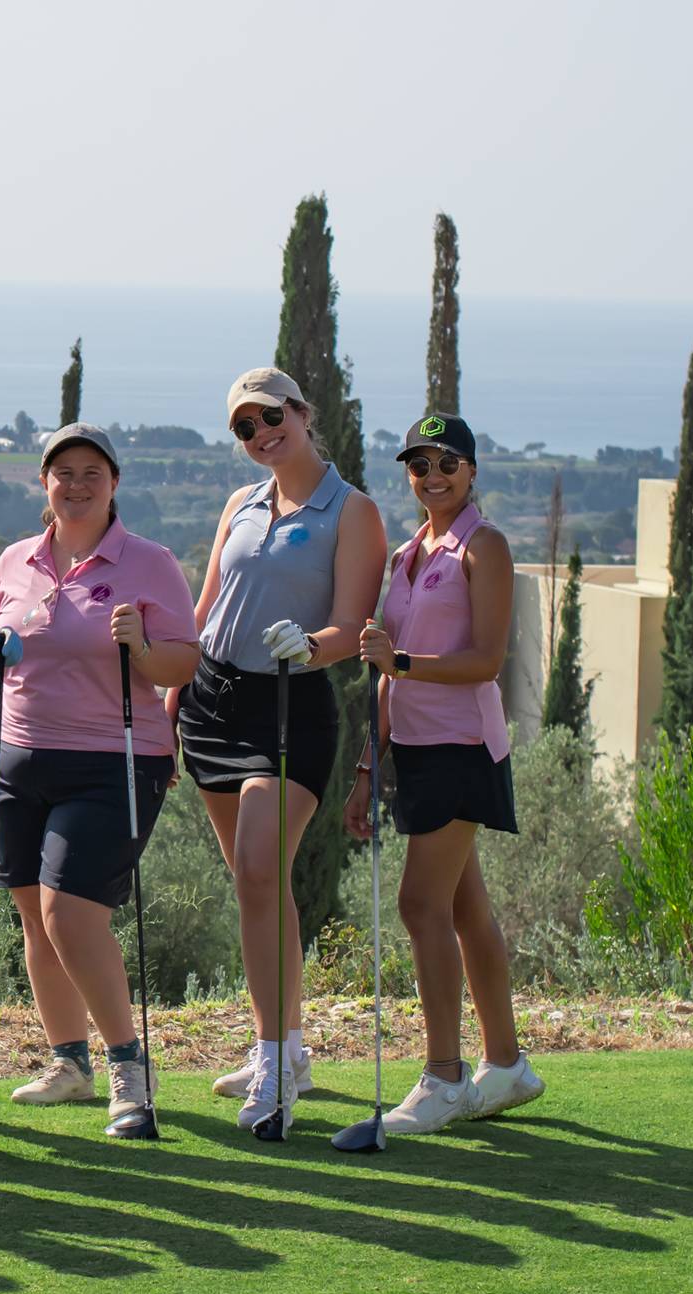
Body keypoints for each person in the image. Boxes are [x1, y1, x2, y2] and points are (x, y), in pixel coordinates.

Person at [0, 424, 200, 1129]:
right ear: (44, 483)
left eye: (91, 471)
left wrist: (143, 648)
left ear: (114, 482)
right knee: (35, 917)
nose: (76, 482)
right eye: (62, 472)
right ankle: (70, 1063)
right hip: (20, 756)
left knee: (71, 914)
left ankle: (130, 1066)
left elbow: (181, 666)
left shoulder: (149, 563)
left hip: (116, 761)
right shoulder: (13, 562)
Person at [177, 367, 385, 1134]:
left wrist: (310, 645)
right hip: (211, 703)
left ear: (302, 412)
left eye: (270, 417)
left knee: (262, 872)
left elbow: (351, 627)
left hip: (290, 706)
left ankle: (274, 1059)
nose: (260, 434)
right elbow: (205, 612)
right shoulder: (243, 503)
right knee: (254, 884)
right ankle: (287, 1047)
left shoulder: (351, 510)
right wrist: (173, 698)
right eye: (244, 427)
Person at [346, 414, 543, 1132]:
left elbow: (486, 661)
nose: (433, 478)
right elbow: (385, 675)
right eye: (419, 466)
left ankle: (444, 1077)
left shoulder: (483, 547)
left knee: (419, 907)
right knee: (464, 910)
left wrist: (398, 662)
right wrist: (371, 764)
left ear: (471, 470)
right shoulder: (408, 552)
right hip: (417, 751)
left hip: (463, 748)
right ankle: (508, 1066)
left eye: (446, 464)